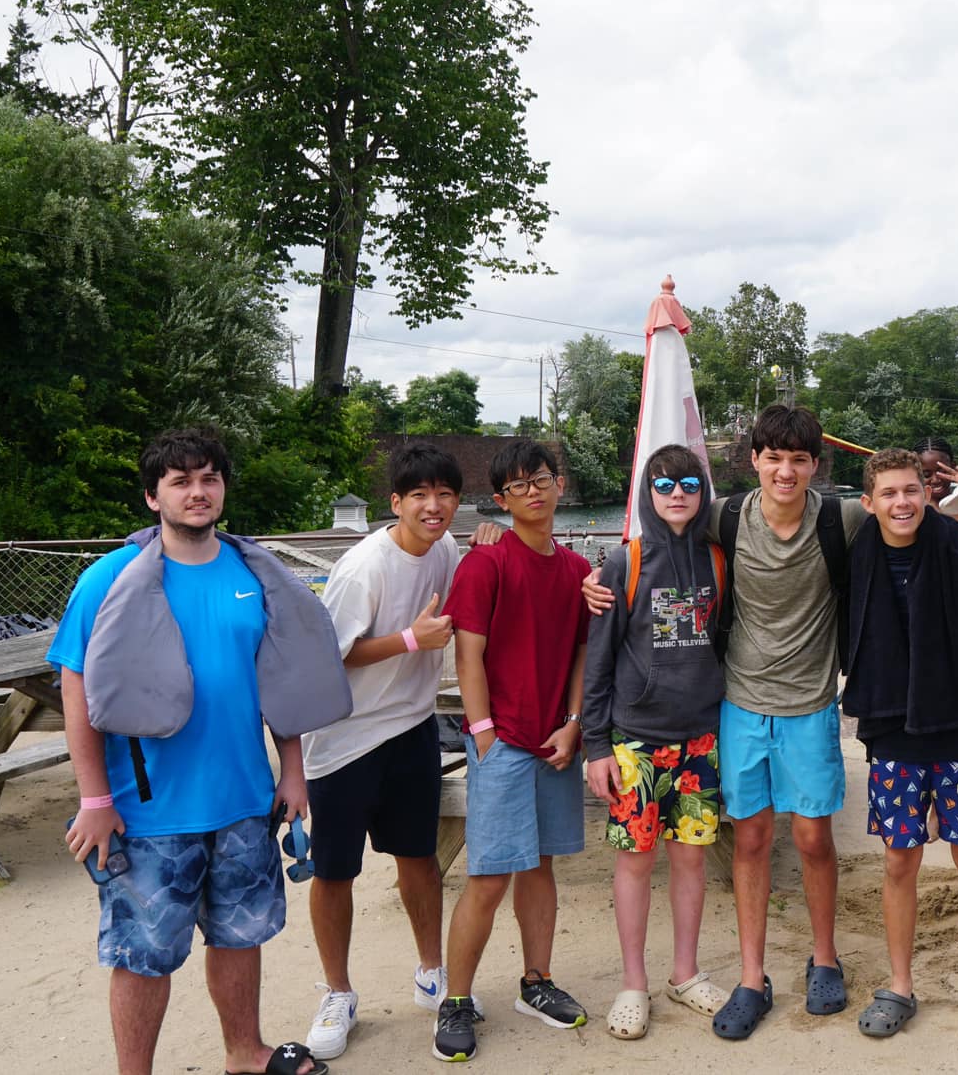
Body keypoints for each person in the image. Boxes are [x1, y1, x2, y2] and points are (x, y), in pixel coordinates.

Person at [51, 428, 341, 1075]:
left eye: (208, 478)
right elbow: (76, 688)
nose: (197, 492)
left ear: (224, 487)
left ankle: (246, 1052)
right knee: (142, 954)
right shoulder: (108, 580)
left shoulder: (252, 573)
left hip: (242, 800)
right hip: (148, 813)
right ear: (153, 497)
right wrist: (94, 798)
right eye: (180, 481)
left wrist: (292, 772)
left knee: (242, 936)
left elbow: (282, 678)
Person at [840, 448, 958, 1044]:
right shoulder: (854, 550)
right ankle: (899, 982)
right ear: (868, 503)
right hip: (892, 724)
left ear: (927, 492)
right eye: (888, 493)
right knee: (899, 859)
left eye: (911, 490)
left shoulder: (957, 541)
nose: (902, 503)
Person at [299, 443, 465, 1061]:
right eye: (418, 495)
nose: (433, 506)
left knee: (419, 857)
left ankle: (433, 972)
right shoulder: (363, 568)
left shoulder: (446, 549)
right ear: (395, 503)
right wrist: (407, 639)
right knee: (334, 870)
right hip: (343, 737)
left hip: (413, 727)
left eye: (444, 494)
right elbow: (327, 657)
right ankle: (337, 992)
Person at [709, 404, 869, 1038]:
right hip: (741, 701)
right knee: (749, 840)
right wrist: (593, 580)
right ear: (754, 460)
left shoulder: (841, 518)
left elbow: (914, 516)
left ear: (814, 465)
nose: (784, 470)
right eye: (772, 457)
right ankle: (752, 976)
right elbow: (655, 544)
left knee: (812, 837)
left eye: (797, 459)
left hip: (810, 705)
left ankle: (823, 957)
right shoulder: (722, 518)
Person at [435, 439, 592, 1062]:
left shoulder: (578, 570)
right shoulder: (486, 564)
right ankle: (457, 999)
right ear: (499, 500)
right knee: (488, 875)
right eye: (518, 485)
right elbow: (467, 655)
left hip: (555, 739)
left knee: (542, 866)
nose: (533, 491)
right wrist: (483, 734)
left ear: (560, 486)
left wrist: (574, 722)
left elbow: (583, 653)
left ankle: (537, 981)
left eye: (543, 479)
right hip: (501, 740)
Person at [580, 445, 731, 1040]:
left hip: (699, 740)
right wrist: (596, 745)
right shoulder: (625, 563)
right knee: (635, 863)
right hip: (635, 745)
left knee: (691, 859)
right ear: (648, 491)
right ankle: (633, 982)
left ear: (703, 491)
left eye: (689, 483)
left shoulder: (719, 560)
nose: (676, 494)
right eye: (664, 484)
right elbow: (599, 660)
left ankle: (685, 973)